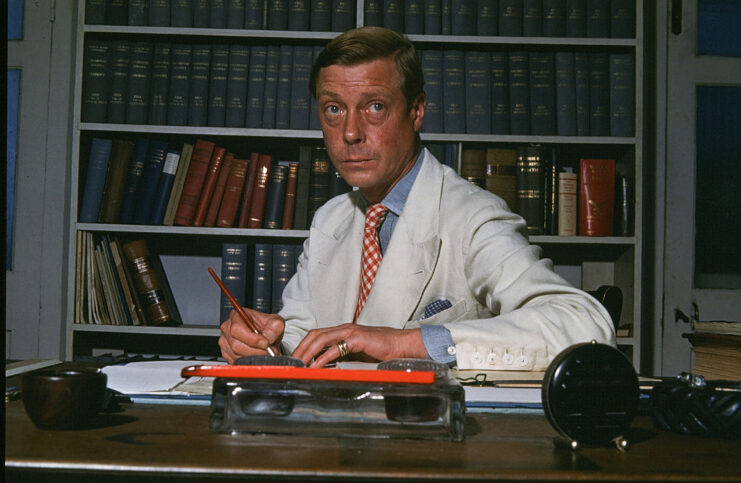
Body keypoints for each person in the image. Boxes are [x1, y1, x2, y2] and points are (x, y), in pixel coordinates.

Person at [219, 27, 615, 369]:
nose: (351, 133)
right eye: (334, 109)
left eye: (375, 107)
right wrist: (266, 344)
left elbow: (584, 325)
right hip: (337, 438)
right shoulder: (331, 218)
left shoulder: (473, 216)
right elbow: (305, 332)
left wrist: (403, 343)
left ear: (417, 111)